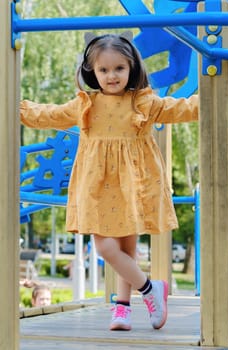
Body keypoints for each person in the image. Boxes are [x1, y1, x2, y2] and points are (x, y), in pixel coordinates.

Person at [20, 31, 198, 331]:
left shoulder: (142, 102)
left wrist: (218, 95)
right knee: (104, 248)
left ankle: (123, 309)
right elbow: (48, 114)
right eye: (103, 70)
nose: (111, 76)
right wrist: (18, 107)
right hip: (98, 186)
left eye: (119, 68)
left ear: (132, 69)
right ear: (92, 72)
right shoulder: (86, 104)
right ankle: (150, 288)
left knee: (126, 248)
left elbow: (180, 109)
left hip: (132, 183)